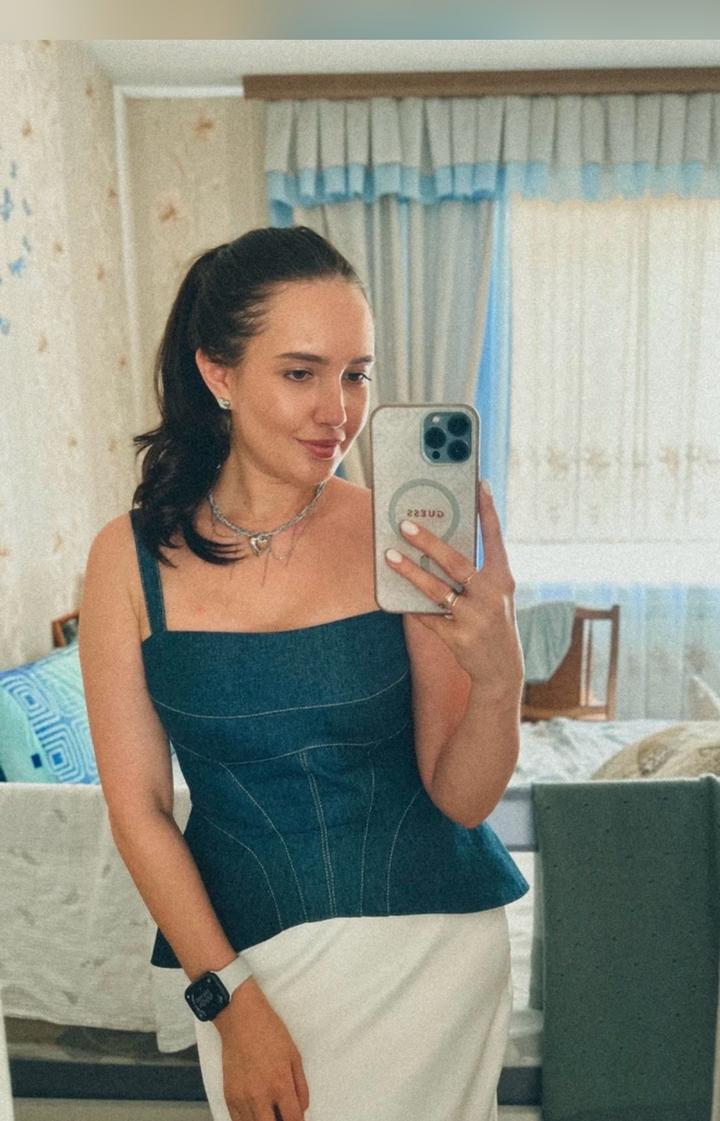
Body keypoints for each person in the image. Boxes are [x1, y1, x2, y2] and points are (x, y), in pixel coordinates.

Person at [78, 226, 529, 1121]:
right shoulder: (126, 562)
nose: (338, 410)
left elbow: (463, 797)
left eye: (356, 374)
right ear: (219, 373)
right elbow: (139, 812)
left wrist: (500, 682)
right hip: (254, 973)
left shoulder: (401, 537)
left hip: (436, 958)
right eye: (300, 372)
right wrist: (229, 1001)